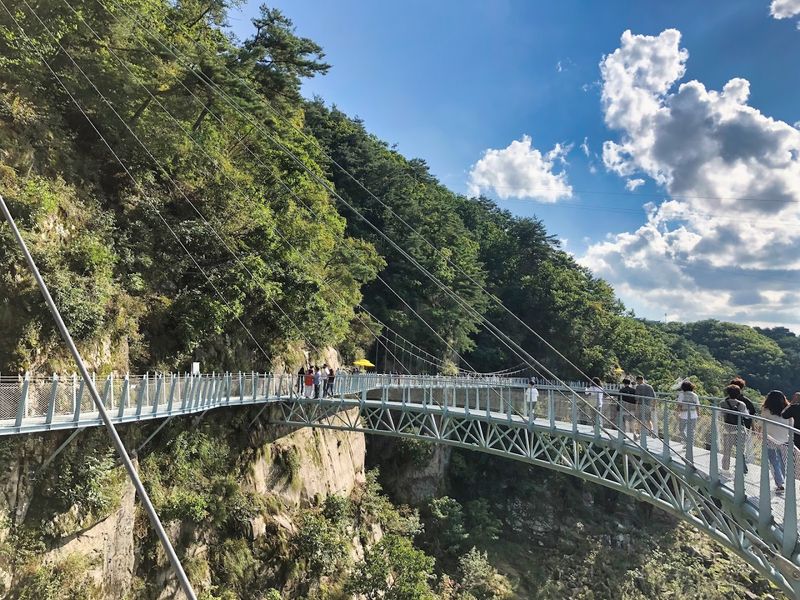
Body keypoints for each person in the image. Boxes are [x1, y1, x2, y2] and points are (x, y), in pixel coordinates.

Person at [762, 390, 792, 493]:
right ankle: (783, 481)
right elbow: (791, 425)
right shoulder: (788, 410)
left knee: (773, 461)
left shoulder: (766, 410)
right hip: (785, 439)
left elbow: (762, 424)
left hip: (770, 438)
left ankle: (780, 484)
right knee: (783, 460)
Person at [719, 384, 749, 474]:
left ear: (728, 393)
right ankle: (740, 470)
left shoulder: (723, 403)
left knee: (727, 451)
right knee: (740, 451)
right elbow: (747, 416)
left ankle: (725, 470)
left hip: (728, 430)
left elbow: (720, 414)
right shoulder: (742, 404)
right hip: (740, 430)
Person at [676, 380, 700, 460]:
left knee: (681, 429)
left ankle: (687, 442)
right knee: (692, 430)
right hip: (693, 414)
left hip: (684, 414)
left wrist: (677, 413)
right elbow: (697, 406)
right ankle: (690, 444)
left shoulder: (681, 395)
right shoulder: (695, 395)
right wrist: (698, 413)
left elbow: (679, 405)